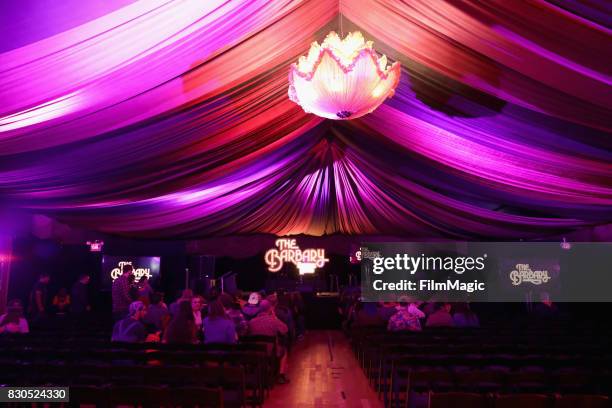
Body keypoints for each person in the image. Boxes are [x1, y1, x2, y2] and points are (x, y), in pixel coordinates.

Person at [248, 300, 290, 384]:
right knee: (284, 351)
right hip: (271, 351)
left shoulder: (251, 322)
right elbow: (285, 329)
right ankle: (280, 375)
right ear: (270, 309)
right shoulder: (273, 321)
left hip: (256, 351)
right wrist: (275, 317)